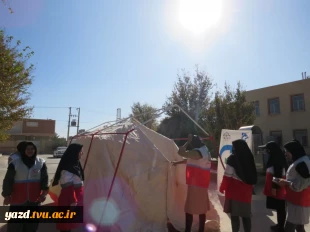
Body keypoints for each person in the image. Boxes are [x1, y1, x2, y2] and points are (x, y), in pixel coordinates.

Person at [2, 141, 49, 232]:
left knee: (32, 224)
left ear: (35, 150)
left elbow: (45, 179)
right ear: (24, 150)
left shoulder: (41, 163)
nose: (30, 151)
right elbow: (8, 180)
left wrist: (43, 194)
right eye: (28, 149)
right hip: (17, 199)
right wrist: (6, 195)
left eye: (32, 149)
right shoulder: (15, 163)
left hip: (34, 199)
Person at [171, 134, 212, 232]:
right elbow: (191, 159)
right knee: (202, 210)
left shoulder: (198, 152)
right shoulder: (204, 150)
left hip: (196, 185)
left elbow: (181, 152)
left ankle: (188, 230)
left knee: (189, 210)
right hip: (202, 184)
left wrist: (187, 142)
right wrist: (177, 163)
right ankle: (201, 230)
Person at [219, 139, 257, 232]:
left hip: (234, 192)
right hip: (246, 193)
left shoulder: (232, 158)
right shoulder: (249, 157)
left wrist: (222, 187)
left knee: (235, 216)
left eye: (233, 147)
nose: (232, 148)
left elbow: (227, 176)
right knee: (246, 215)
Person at [275, 140, 310, 232]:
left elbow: (299, 186)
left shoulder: (301, 164)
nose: (286, 154)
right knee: (299, 227)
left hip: (298, 201)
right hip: (297, 200)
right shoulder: (301, 160)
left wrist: (286, 183)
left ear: (293, 151)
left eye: (287, 152)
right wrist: (286, 181)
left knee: (289, 227)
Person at [52, 143, 84, 232]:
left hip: (73, 197)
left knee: (70, 223)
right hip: (69, 199)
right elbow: (67, 185)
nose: (82, 153)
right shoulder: (68, 167)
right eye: (81, 151)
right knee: (66, 225)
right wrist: (73, 201)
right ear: (75, 152)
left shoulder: (75, 164)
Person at [260, 141, 288, 232]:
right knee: (279, 208)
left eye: (267, 149)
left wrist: (274, 188)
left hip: (278, 188)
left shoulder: (277, 161)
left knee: (280, 208)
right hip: (276, 187)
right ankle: (280, 225)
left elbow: (278, 176)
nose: (266, 151)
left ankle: (280, 227)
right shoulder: (275, 158)